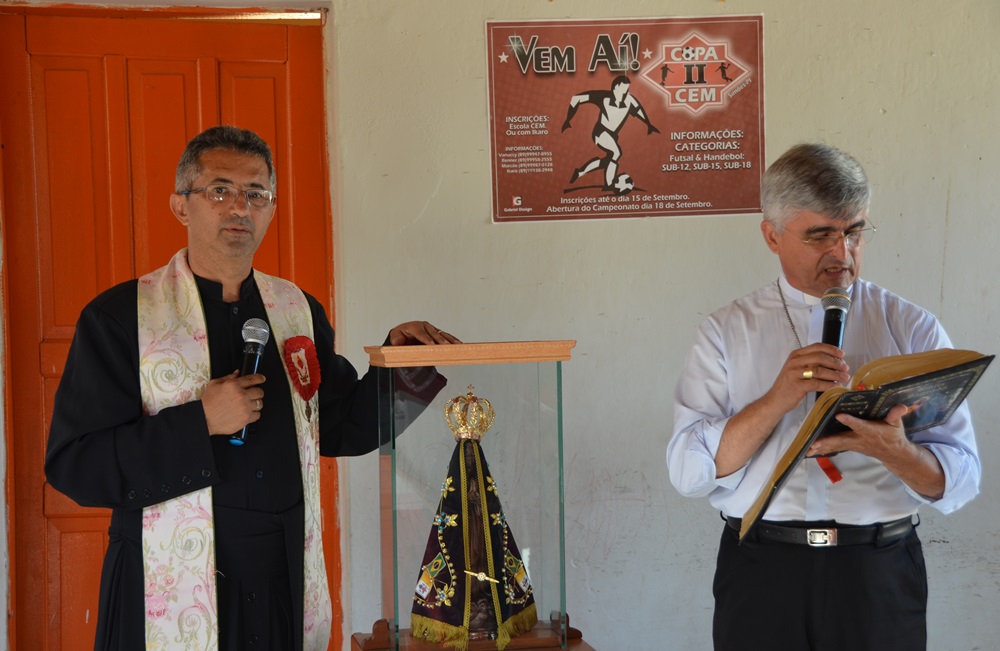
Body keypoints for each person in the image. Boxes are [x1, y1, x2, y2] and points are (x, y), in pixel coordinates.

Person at [45, 125, 460, 651]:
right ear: (181, 205)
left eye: (257, 194)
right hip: (162, 585)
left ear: (271, 208)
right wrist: (200, 422)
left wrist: (402, 366)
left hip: (280, 581)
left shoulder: (296, 310)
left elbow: (338, 427)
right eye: (220, 190)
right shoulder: (121, 317)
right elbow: (76, 465)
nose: (240, 207)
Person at [667, 143, 980, 650]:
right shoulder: (725, 331)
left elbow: (962, 481)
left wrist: (895, 451)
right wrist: (776, 399)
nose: (843, 254)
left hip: (876, 573)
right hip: (763, 571)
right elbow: (688, 473)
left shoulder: (913, 328)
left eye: (854, 232)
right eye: (820, 236)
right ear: (772, 235)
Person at [561, 75, 659, 191]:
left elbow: (639, 110)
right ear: (616, 87)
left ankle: (580, 171)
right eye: (624, 88)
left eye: (627, 89)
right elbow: (576, 99)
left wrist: (648, 124)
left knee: (609, 160)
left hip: (613, 135)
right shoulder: (603, 97)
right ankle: (609, 184)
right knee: (616, 153)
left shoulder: (630, 99)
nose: (626, 92)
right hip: (600, 132)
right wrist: (568, 119)